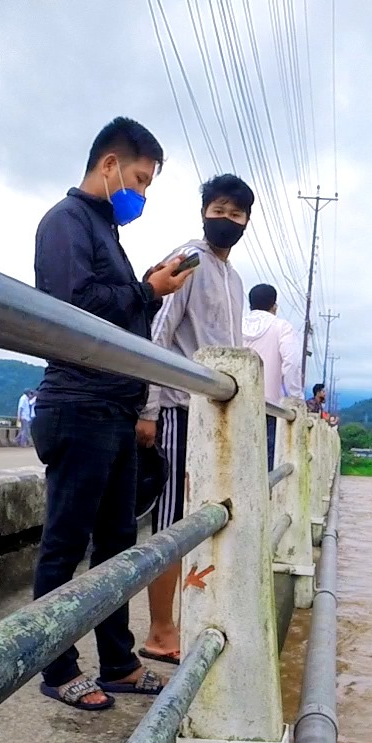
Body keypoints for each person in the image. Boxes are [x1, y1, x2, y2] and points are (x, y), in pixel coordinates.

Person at [29, 116, 195, 711]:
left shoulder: (103, 231)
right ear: (109, 166)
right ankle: (57, 666)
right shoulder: (65, 222)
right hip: (79, 404)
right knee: (66, 542)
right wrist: (148, 290)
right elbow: (78, 306)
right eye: (141, 179)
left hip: (115, 410)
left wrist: (148, 288)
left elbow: (122, 315)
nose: (142, 194)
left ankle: (119, 660)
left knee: (118, 545)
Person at [139, 173, 256, 665]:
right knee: (170, 523)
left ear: (247, 221)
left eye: (236, 214)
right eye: (219, 210)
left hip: (211, 418)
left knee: (201, 520)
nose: (226, 220)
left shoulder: (233, 278)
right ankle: (160, 631)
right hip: (174, 410)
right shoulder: (188, 259)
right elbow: (158, 334)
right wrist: (146, 409)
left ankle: (183, 620)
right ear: (204, 210)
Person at [243, 282, 304, 462]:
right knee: (265, 464)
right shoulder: (282, 327)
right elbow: (291, 364)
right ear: (274, 306)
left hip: (234, 404)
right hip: (268, 406)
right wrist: (295, 398)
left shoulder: (235, 325)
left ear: (250, 304)